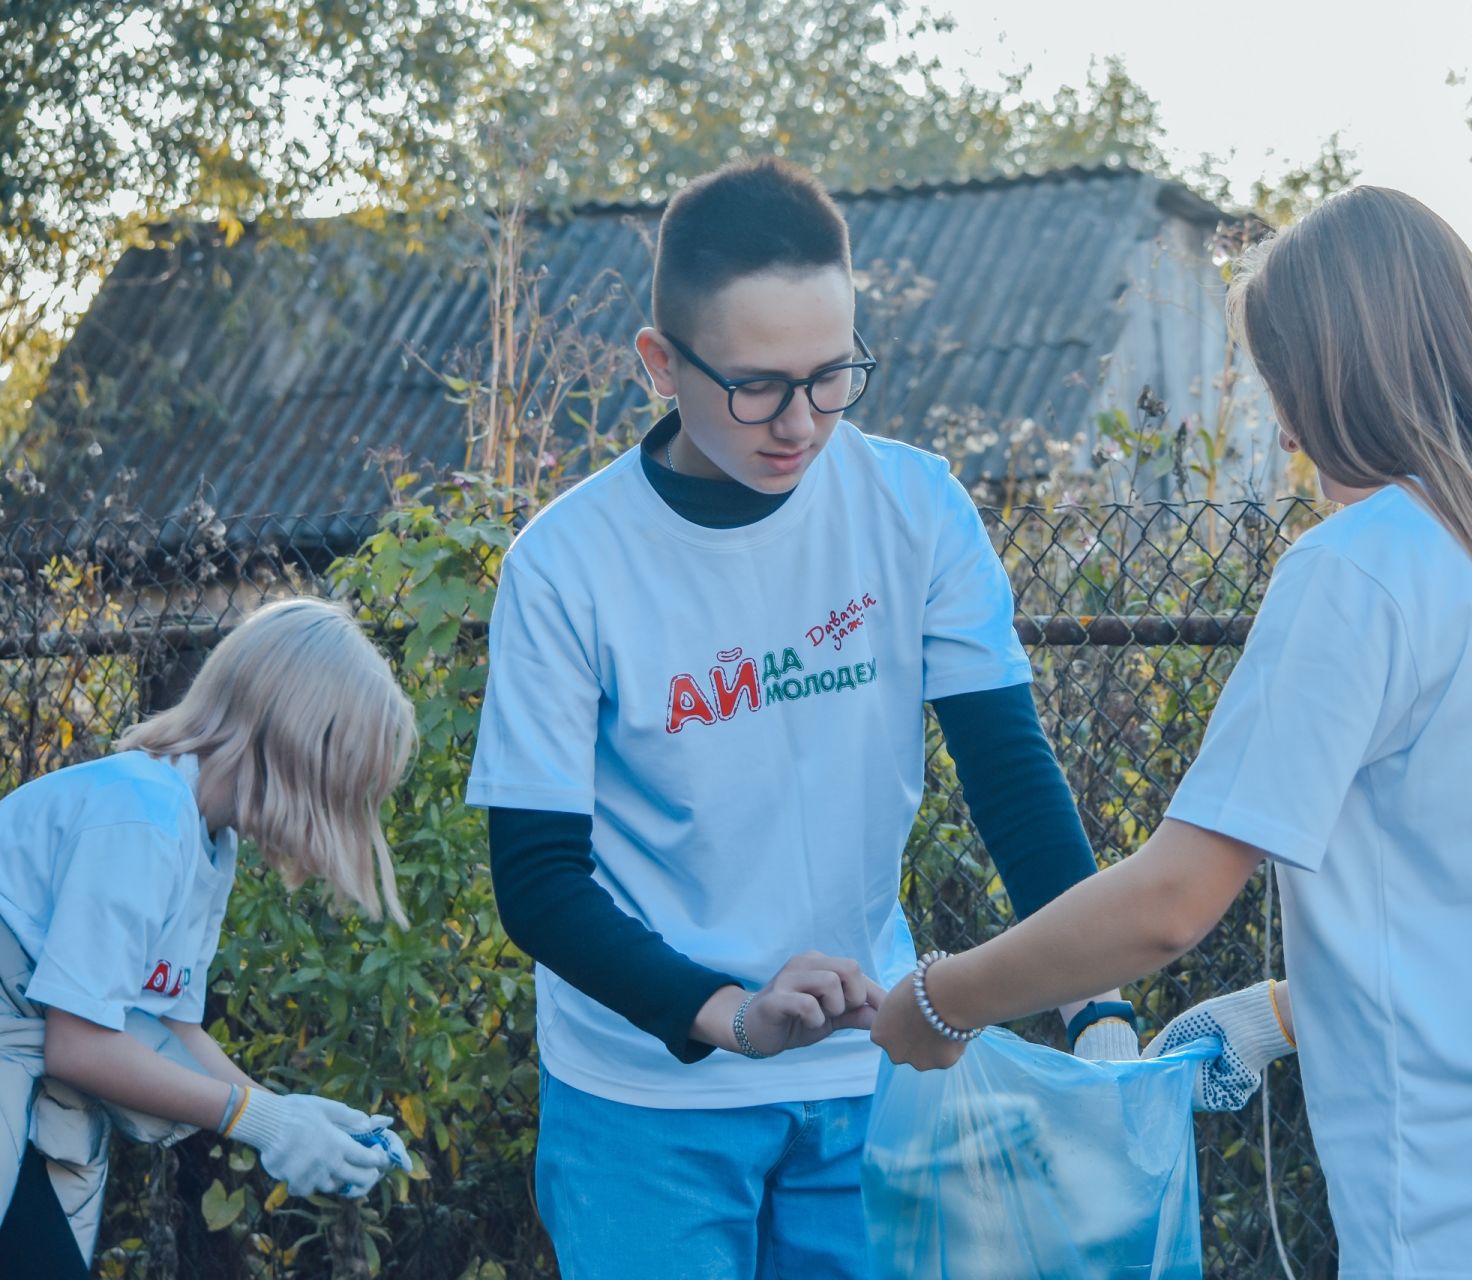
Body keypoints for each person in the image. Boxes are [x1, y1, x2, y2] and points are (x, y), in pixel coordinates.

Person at [873, 185, 1472, 1280]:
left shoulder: (1361, 567)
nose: (1281, 427)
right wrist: (1284, 1007)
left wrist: (938, 1001)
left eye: (1283, 382)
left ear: (1342, 373)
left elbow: (1171, 901)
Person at [466, 156, 1134, 1280]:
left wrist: (1099, 1009)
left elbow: (1010, 779)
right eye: (760, 385)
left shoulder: (915, 509)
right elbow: (536, 878)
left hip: (873, 1072)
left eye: (833, 376)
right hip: (645, 1101)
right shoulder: (565, 566)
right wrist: (728, 1012)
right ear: (660, 365)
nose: (803, 422)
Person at [0, 598, 417, 1278]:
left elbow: (166, 1025)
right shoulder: (144, 812)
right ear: (297, 746)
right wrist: (260, 1120)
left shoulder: (206, 837)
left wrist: (283, 1114)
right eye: (344, 786)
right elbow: (78, 1045)